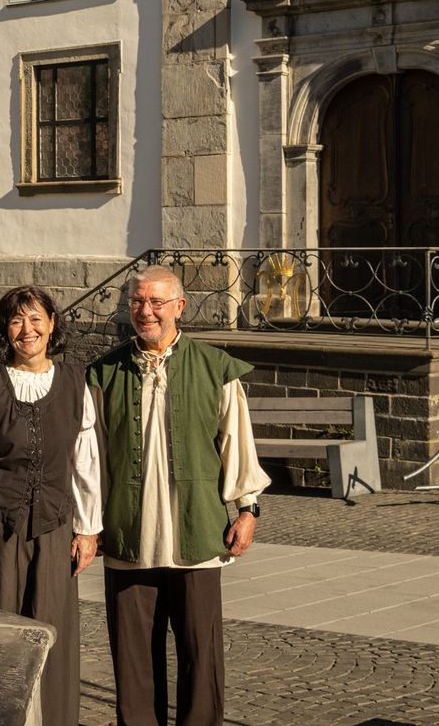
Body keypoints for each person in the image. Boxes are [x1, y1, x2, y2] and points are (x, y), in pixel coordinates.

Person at [87, 264, 269, 726]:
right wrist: (91, 524)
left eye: (155, 302)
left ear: (179, 307)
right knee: (133, 658)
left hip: (197, 531)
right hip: (129, 535)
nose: (145, 311)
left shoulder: (215, 368)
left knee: (199, 651)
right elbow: (91, 457)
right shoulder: (103, 373)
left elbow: (237, 443)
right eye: (136, 302)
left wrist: (247, 509)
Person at [0, 286, 101, 726]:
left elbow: (84, 461)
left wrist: (89, 528)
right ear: (4, 330)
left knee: (50, 626)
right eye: (16, 321)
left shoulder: (75, 382)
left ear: (52, 324)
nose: (26, 330)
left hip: (53, 526)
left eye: (35, 319)